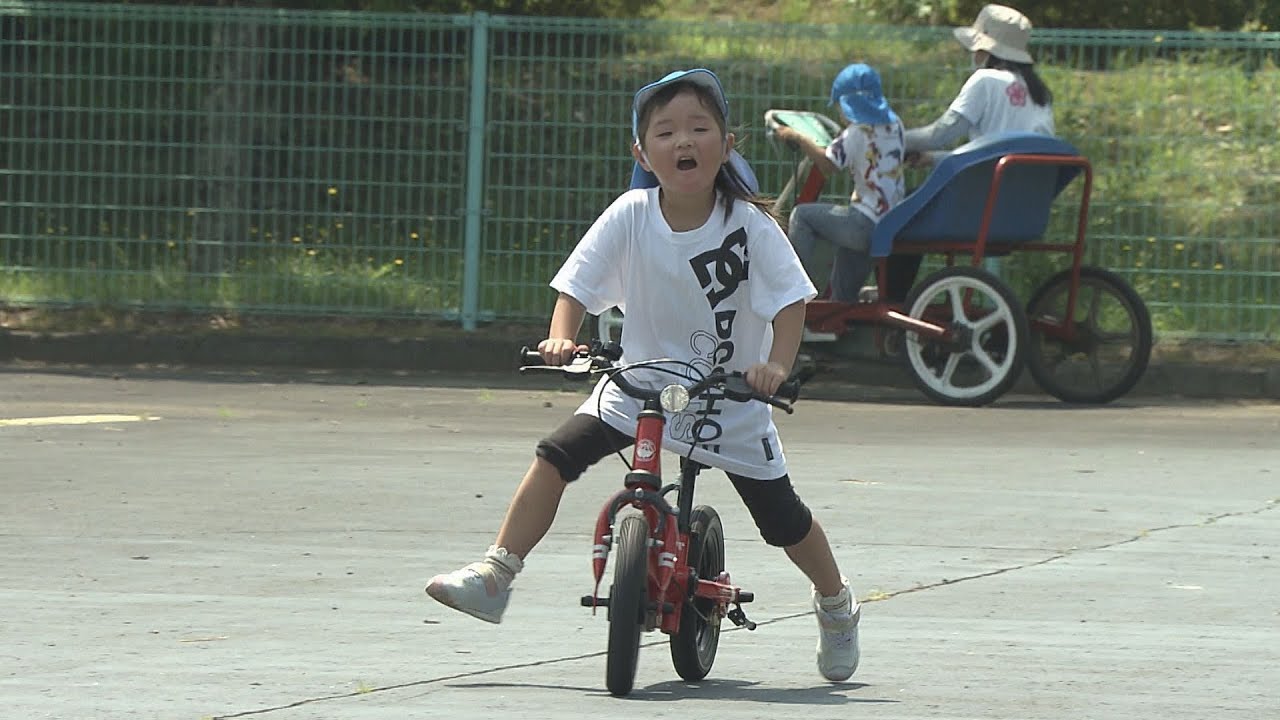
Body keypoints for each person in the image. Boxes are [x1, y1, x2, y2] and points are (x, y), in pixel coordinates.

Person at [425, 68, 863, 682]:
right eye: (666, 131)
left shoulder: (749, 225)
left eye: (699, 128)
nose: (683, 140)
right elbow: (575, 286)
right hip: (639, 386)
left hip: (727, 401)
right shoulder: (631, 213)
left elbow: (791, 302)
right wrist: (561, 335)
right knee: (556, 455)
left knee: (783, 520)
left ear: (726, 143)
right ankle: (496, 575)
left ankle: (837, 605)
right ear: (643, 152)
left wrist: (775, 367)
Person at [888, 3, 1056, 301]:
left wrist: (890, 139)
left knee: (899, 208)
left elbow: (939, 135)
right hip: (1023, 210)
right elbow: (999, 152)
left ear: (986, 49)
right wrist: (934, 160)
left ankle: (890, 299)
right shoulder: (1039, 94)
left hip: (979, 207)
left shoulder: (985, 81)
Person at [772, 63, 905, 306]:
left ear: (847, 105)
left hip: (862, 223)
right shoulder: (895, 125)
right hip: (888, 222)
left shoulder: (855, 132)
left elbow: (827, 164)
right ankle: (834, 319)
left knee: (802, 215)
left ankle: (790, 293)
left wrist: (798, 137)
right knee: (842, 299)